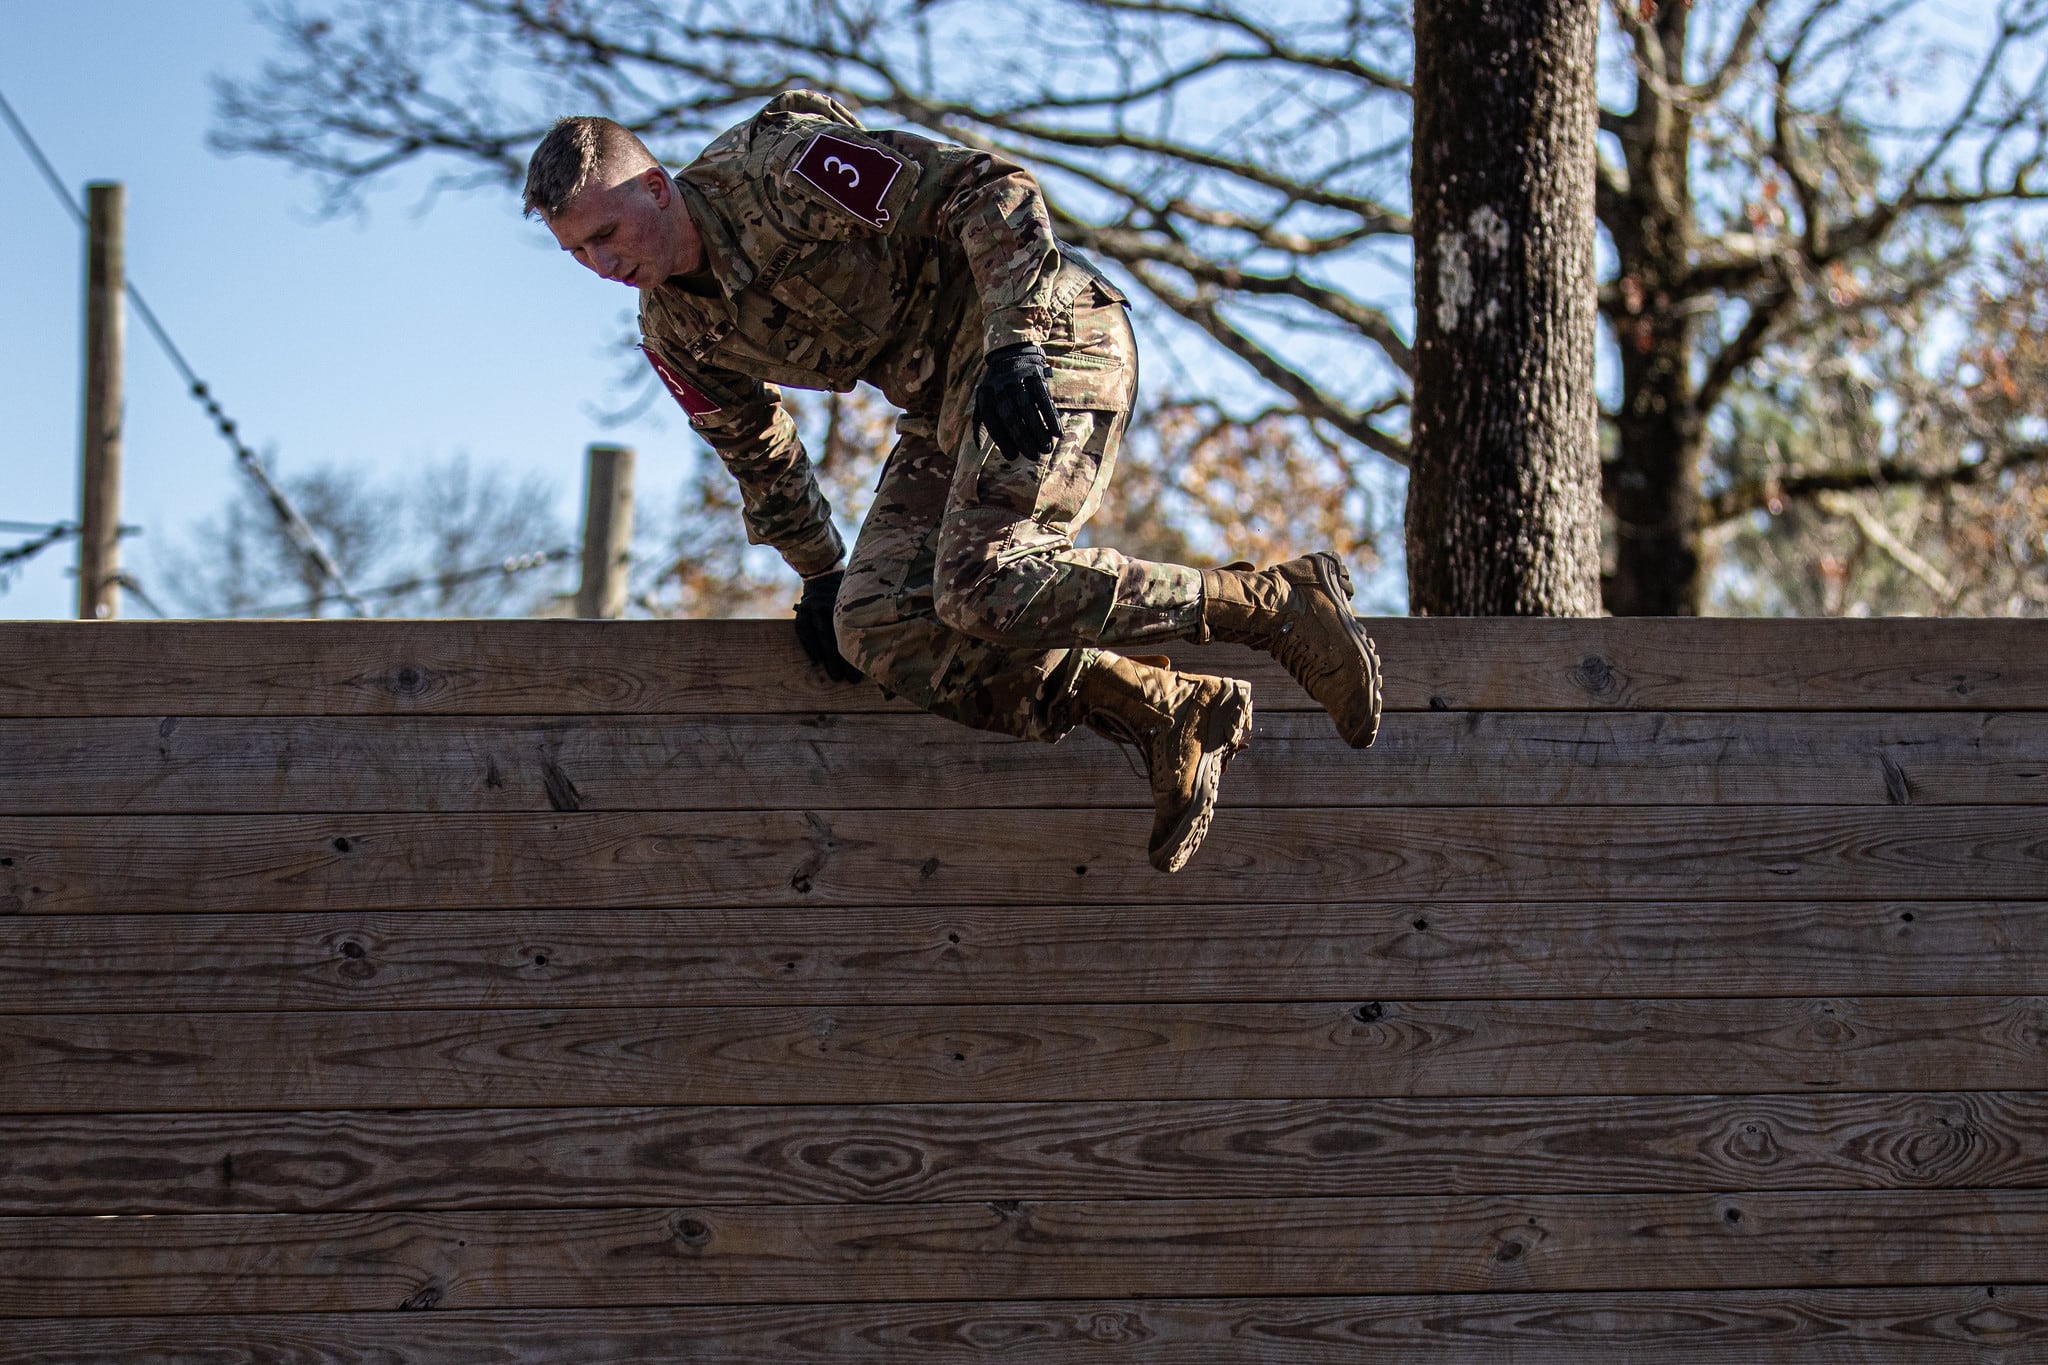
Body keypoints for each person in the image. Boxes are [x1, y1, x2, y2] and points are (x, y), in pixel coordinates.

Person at [524, 92, 1380, 872]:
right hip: (945, 404)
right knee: (874, 625)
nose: (598, 263)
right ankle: (1164, 711)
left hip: (1046, 342)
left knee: (984, 581)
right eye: (575, 253)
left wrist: (1015, 340)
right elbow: (757, 451)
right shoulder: (675, 330)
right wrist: (821, 573)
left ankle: (1274, 603)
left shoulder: (784, 172)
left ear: (658, 189)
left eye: (605, 234)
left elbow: (987, 189)